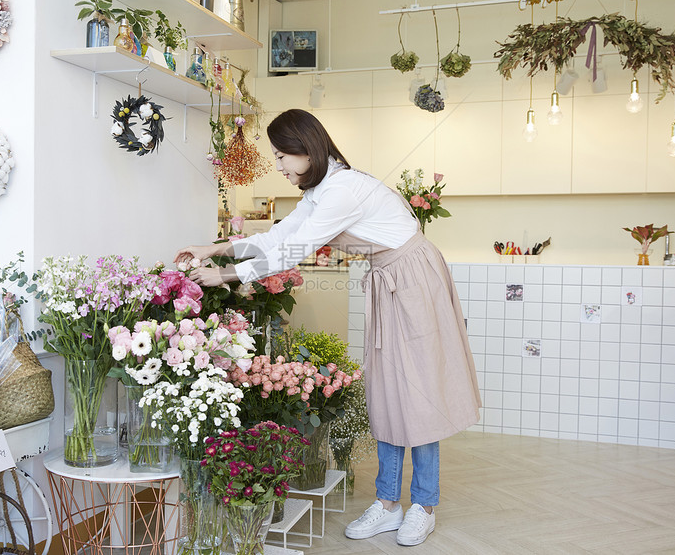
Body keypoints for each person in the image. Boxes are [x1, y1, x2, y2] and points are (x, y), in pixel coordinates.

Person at [175, 109, 481, 547]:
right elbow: (276, 237)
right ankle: (389, 503)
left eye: (283, 156)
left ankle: (425, 505)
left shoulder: (343, 191)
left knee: (419, 392)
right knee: (388, 390)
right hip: (389, 281)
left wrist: (224, 276)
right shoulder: (322, 190)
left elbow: (294, 250)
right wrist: (213, 248)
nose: (279, 166)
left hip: (413, 281)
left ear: (307, 148)